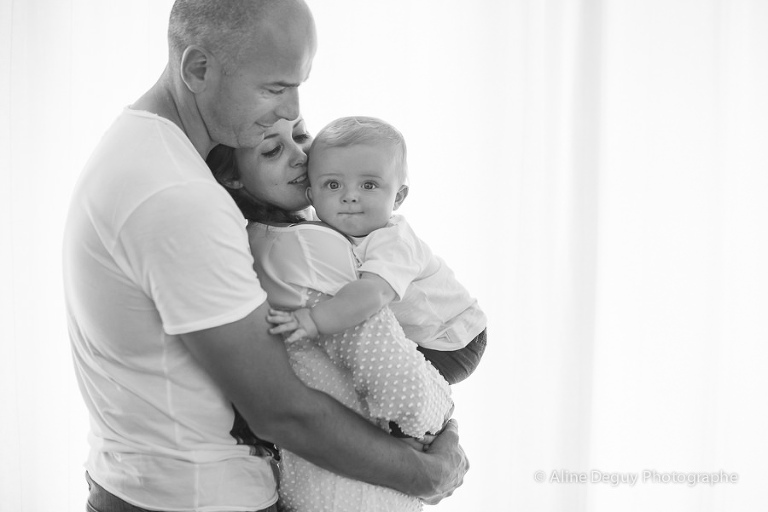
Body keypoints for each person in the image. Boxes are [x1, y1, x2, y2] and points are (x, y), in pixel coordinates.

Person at [62, 2, 467, 511]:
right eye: (276, 88)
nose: (293, 110)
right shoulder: (179, 195)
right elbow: (280, 410)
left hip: (139, 485)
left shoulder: (143, 146)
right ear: (198, 69)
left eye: (299, 85)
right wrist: (426, 473)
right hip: (196, 500)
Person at [208, 116, 454, 511]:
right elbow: (387, 364)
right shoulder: (304, 246)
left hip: (449, 336)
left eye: (301, 134)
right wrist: (441, 432)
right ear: (233, 177)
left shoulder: (281, 229)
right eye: (272, 150)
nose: (301, 156)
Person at [268, 116, 487, 387]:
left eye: (368, 185)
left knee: (387, 386)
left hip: (452, 338)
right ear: (312, 195)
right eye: (333, 185)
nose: (350, 196)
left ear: (398, 197)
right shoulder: (318, 226)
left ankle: (428, 422)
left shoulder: (393, 242)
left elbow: (373, 293)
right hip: (423, 331)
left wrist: (315, 320)